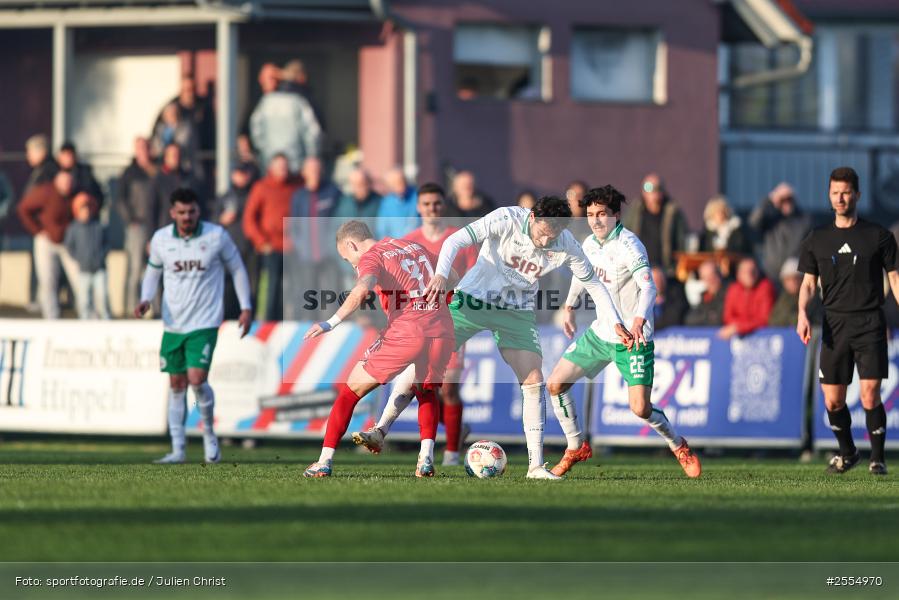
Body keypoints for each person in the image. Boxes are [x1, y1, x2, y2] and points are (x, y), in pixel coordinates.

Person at [422, 196, 633, 480]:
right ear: (532, 218)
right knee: (423, 365)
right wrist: (440, 276)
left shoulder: (567, 242)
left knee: (534, 381)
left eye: (553, 236)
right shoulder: (505, 218)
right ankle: (384, 429)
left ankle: (535, 467)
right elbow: (454, 242)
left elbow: (593, 284)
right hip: (472, 300)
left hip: (515, 312)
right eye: (543, 234)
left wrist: (615, 321)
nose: (547, 242)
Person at [545, 185, 701, 477]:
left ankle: (678, 445)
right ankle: (575, 445)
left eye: (602, 213)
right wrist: (569, 306)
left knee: (640, 408)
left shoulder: (630, 245)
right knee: (555, 384)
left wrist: (639, 319)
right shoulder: (589, 244)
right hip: (601, 333)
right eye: (590, 214)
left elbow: (649, 286)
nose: (595, 220)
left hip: (633, 338)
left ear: (616, 215)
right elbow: (583, 275)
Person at [302, 220, 457, 478]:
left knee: (349, 392)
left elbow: (362, 289)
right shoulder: (413, 246)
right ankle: (426, 461)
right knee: (426, 391)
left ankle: (324, 462)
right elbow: (449, 277)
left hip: (407, 331)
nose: (351, 263)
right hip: (442, 329)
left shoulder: (372, 256)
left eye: (346, 257)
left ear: (352, 244)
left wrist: (331, 322)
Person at [352, 183, 480, 466]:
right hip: (417, 324)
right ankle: (445, 435)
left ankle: (451, 453)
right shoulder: (408, 241)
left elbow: (471, 279)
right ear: (419, 208)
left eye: (436, 203)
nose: (432, 208)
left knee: (447, 388)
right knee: (422, 382)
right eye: (426, 204)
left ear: (442, 206)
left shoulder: (459, 240)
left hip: (453, 320)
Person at [135, 187, 252, 464]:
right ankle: (178, 449)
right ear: (173, 213)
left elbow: (237, 268)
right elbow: (152, 273)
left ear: (198, 211)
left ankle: (209, 434)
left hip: (205, 321)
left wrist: (246, 306)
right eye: (182, 212)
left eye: (192, 212)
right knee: (176, 383)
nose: (187, 217)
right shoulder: (162, 239)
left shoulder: (216, 236)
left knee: (197, 379)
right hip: (173, 322)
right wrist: (145, 299)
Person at [797, 167, 899, 476]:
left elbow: (894, 278)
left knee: (870, 393)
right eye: (835, 193)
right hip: (833, 324)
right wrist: (801, 313)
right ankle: (848, 452)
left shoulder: (878, 236)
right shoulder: (818, 238)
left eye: (845, 193)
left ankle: (877, 459)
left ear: (857, 194)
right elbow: (808, 284)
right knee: (834, 401)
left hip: (869, 322)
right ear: (829, 196)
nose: (840, 199)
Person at [242, 154, 302, 321]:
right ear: (271, 168)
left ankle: (290, 324)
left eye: (285, 166)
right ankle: (268, 322)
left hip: (293, 247)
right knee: (271, 287)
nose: (283, 170)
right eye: (280, 167)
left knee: (293, 289)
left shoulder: (296, 186)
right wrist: (261, 242)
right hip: (270, 247)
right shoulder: (261, 187)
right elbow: (249, 219)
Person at [16, 171, 82, 319]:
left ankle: (88, 314)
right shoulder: (45, 192)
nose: (67, 187)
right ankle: (51, 317)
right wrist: (37, 230)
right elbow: (23, 208)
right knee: (47, 280)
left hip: (66, 241)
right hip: (46, 240)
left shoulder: (73, 195)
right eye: (64, 183)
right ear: (57, 182)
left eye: (69, 183)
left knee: (78, 276)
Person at [287, 156, 341, 320]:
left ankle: (333, 328)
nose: (314, 174)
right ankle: (310, 332)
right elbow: (294, 226)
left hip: (330, 254)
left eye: (317, 170)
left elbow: (339, 220)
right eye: (311, 170)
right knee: (309, 295)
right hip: (306, 255)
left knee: (331, 295)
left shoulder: (333, 192)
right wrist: (300, 246)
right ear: (304, 173)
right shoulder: (299, 196)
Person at [249, 63, 322, 173]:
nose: (263, 83)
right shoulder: (300, 101)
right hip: (296, 163)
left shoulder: (266, 103)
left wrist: (263, 151)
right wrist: (311, 156)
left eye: (268, 79)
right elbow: (314, 132)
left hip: (272, 163)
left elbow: (256, 132)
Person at [117, 137, 158, 311]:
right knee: (134, 269)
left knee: (155, 269)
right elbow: (120, 200)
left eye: (146, 147)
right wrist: (130, 220)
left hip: (155, 225)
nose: (143, 151)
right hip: (137, 225)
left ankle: (157, 310)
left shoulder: (156, 171)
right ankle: (130, 309)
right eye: (140, 148)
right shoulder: (129, 173)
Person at [622, 173, 688, 273]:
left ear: (662, 192)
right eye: (648, 189)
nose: (653, 194)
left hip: (666, 271)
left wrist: (676, 267)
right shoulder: (635, 211)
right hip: (639, 269)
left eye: (657, 189)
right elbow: (623, 235)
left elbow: (682, 241)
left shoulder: (673, 212)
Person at [749, 182, 812, 283]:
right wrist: (770, 199)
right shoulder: (770, 219)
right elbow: (753, 222)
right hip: (770, 274)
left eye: (789, 199)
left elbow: (807, 246)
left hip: (793, 276)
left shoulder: (803, 220)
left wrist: (794, 263)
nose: (786, 203)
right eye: (782, 200)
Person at [63, 193, 110, 319]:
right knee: (84, 300)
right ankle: (84, 321)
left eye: (88, 209)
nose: (86, 212)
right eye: (83, 209)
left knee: (102, 298)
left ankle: (106, 321)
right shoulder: (74, 228)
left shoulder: (98, 226)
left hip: (99, 268)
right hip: (84, 269)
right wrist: (79, 259)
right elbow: (69, 247)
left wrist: (101, 257)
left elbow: (106, 244)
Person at [719, 257, 775, 340]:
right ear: (738, 274)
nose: (749, 275)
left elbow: (764, 319)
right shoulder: (733, 289)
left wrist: (739, 327)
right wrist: (738, 327)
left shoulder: (765, 287)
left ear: (758, 272)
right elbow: (728, 316)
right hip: (740, 338)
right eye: (745, 272)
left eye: (753, 271)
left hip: (761, 338)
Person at [150, 144, 202, 232]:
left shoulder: (188, 178)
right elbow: (152, 209)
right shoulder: (158, 180)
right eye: (173, 155)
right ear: (166, 157)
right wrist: (151, 234)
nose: (176, 158)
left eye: (178, 155)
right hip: (166, 229)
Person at [150, 102, 201, 180]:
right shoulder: (160, 129)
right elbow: (156, 146)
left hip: (183, 165)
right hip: (162, 165)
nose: (171, 115)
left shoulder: (185, 127)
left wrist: (169, 151)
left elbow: (180, 145)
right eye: (169, 113)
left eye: (173, 113)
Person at [769, 257, 821, 327]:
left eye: (795, 278)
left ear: (803, 278)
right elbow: (773, 320)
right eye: (788, 279)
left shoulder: (812, 295)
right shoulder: (783, 298)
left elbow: (807, 320)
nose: (792, 282)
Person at [375, 167, 420, 240]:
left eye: (402, 181)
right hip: (395, 245)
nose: (401, 185)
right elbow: (382, 229)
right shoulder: (387, 202)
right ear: (390, 186)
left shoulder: (417, 195)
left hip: (416, 243)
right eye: (396, 183)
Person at [56, 141, 103, 207]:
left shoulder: (84, 173)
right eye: (65, 155)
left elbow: (96, 194)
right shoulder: (53, 171)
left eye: (69, 155)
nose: (67, 158)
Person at [684, 260, 727, 326]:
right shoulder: (704, 296)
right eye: (705, 277)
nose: (710, 280)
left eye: (712, 275)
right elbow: (689, 320)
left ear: (720, 275)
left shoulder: (730, 294)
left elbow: (720, 319)